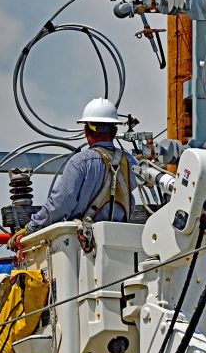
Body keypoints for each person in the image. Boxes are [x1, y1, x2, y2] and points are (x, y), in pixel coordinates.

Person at [8, 98, 137, 250]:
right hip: (122, 246)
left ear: (86, 131)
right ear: (114, 131)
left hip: (83, 248)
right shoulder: (131, 162)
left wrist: (31, 229)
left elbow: (60, 204)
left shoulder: (81, 162)